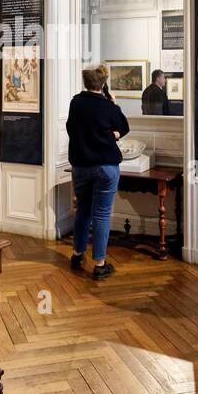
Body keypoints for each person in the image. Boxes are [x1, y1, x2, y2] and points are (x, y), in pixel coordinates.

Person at [66, 64, 129, 280]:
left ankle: (77, 254)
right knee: (101, 214)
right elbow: (124, 127)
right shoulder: (108, 106)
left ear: (86, 82)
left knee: (82, 210)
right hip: (106, 166)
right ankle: (100, 264)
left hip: (81, 166)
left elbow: (71, 129)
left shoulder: (76, 103)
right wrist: (114, 134)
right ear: (103, 83)